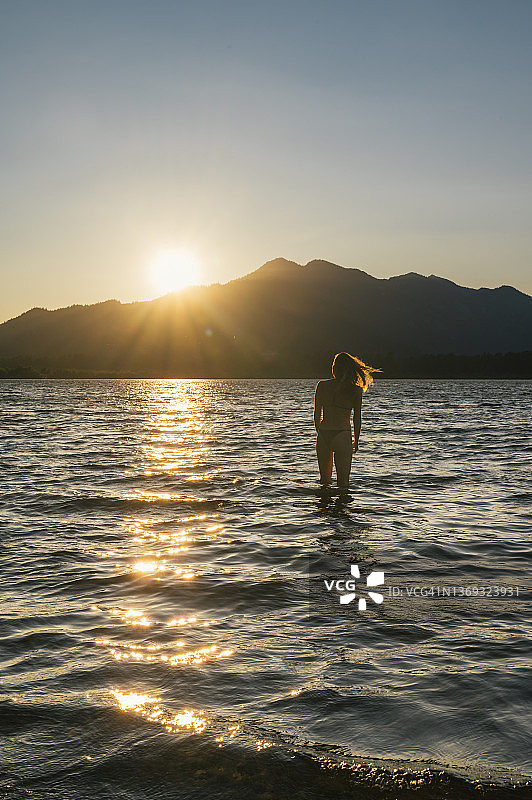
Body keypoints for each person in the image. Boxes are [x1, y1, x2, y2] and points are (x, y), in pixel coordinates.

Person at [314, 352, 380, 491]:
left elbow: (316, 414)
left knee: (324, 483)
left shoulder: (322, 386)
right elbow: (357, 418)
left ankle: (324, 504)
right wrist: (356, 440)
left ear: (334, 369)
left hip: (324, 434)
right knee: (343, 485)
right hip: (342, 435)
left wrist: (320, 433)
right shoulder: (355, 390)